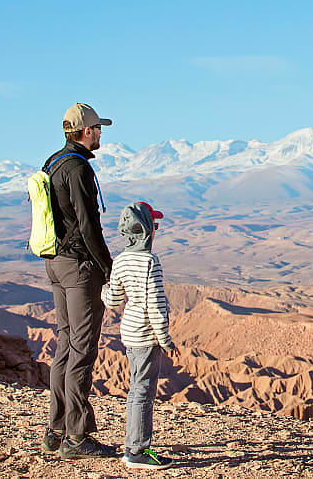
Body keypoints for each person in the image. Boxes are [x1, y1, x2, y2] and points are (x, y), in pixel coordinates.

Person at [41, 102, 117, 459]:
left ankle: (56, 429)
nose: (101, 133)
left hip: (54, 263)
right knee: (82, 350)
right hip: (78, 268)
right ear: (87, 131)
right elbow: (89, 226)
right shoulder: (79, 169)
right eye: (98, 128)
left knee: (65, 345)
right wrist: (108, 266)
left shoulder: (52, 163)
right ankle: (76, 437)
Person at [102, 201, 180, 470]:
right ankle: (137, 451)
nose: (156, 230)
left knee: (136, 388)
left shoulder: (120, 261)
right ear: (145, 230)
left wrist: (104, 289)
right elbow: (157, 306)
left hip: (129, 333)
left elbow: (113, 300)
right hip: (147, 335)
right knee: (143, 392)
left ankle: (133, 446)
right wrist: (165, 339)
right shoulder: (150, 262)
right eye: (154, 226)